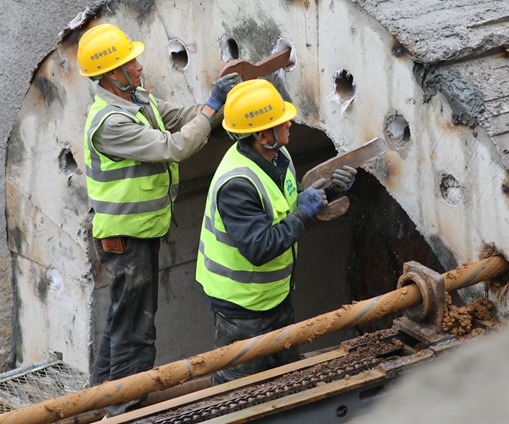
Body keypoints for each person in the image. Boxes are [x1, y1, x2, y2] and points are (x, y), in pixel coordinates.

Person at [77, 23, 239, 403]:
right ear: (112, 75)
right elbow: (176, 147)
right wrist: (213, 107)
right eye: (131, 63)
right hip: (125, 239)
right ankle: (127, 410)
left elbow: (183, 117)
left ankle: (97, 401)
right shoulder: (111, 124)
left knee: (123, 318)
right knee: (136, 330)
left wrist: (217, 104)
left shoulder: (137, 101)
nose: (139, 67)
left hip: (139, 233)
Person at [195, 79, 357, 384]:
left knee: (284, 378)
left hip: (275, 297)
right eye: (281, 120)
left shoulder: (279, 158)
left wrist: (331, 191)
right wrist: (304, 211)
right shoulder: (237, 184)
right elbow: (260, 247)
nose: (291, 122)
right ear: (262, 134)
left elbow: (283, 209)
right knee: (239, 391)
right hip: (241, 308)